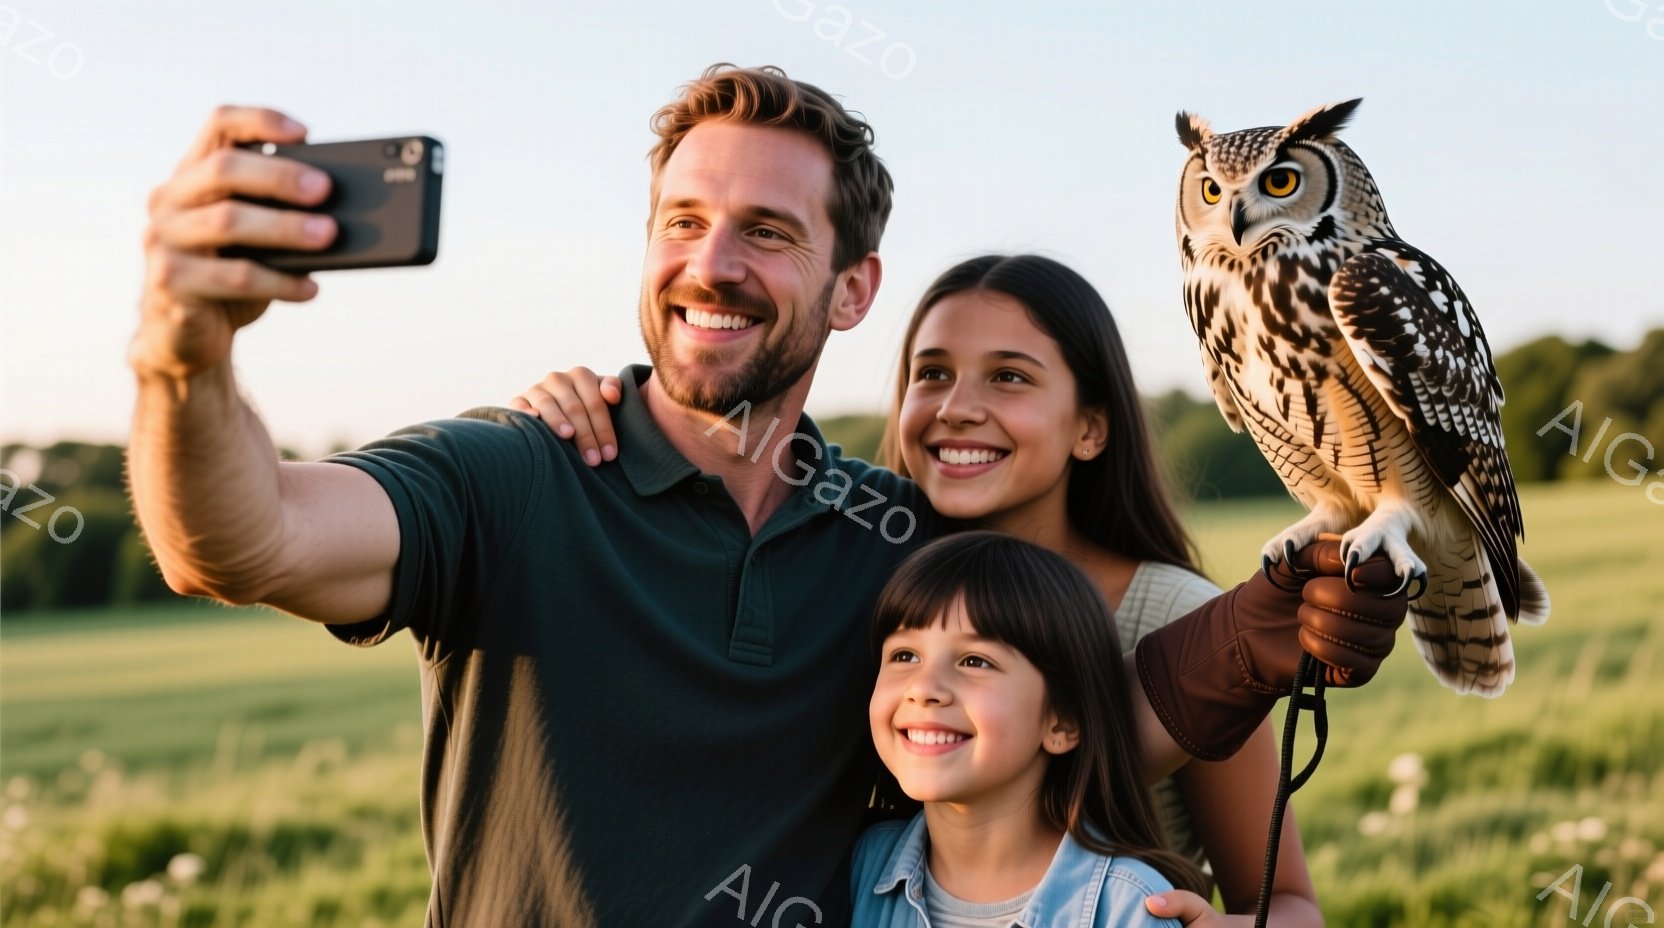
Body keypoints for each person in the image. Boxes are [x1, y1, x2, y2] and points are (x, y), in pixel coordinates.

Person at [128, 64, 1406, 927]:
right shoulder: (511, 473)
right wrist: (183, 358)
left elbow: (1057, 730)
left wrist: (1248, 640)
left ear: (852, 290)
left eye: (768, 232)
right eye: (681, 221)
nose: (711, 263)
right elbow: (245, 540)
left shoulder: (892, 540)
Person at [516, 254, 1323, 926]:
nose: (958, 408)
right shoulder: (869, 577)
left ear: (1090, 426)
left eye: (1009, 377)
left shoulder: (1175, 615)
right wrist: (587, 414)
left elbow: (1285, 900)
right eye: (931, 374)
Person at [853, 530, 1200, 927]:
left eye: (975, 661)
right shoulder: (855, 867)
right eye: (905, 655)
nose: (924, 689)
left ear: (1062, 721)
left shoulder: (1129, 909)